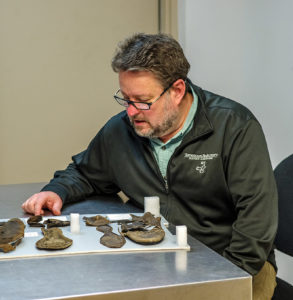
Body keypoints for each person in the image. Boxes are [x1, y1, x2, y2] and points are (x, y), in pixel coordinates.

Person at [22, 33, 278, 299]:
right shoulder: (122, 129)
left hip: (233, 262)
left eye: (142, 100)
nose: (131, 111)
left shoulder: (235, 127)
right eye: (125, 99)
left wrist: (223, 279)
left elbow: (256, 222)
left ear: (177, 91)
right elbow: (85, 172)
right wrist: (56, 191)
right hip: (155, 258)